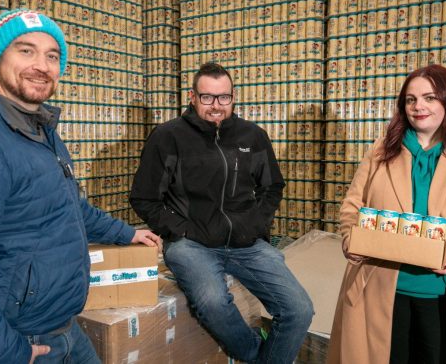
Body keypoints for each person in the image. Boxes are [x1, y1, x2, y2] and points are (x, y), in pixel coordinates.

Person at [0, 9, 161, 364]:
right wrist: (4, 352)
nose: (41, 65)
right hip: (15, 339)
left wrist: (126, 233)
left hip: (61, 328)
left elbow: (69, 205)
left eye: (52, 55)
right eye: (25, 50)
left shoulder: (41, 132)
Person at [327, 65, 446, 363]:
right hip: (379, 292)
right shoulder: (382, 150)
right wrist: (351, 238)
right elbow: (353, 206)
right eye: (411, 99)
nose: (419, 107)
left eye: (429, 98)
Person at [130, 62, 313, 363]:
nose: (216, 106)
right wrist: (183, 230)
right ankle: (256, 355)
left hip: (245, 243)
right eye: (207, 97)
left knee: (299, 309)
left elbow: (272, 187)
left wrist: (254, 226)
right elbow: (144, 197)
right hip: (191, 244)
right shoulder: (168, 137)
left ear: (233, 97)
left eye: (223, 97)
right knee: (213, 302)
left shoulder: (252, 136)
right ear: (192, 97)